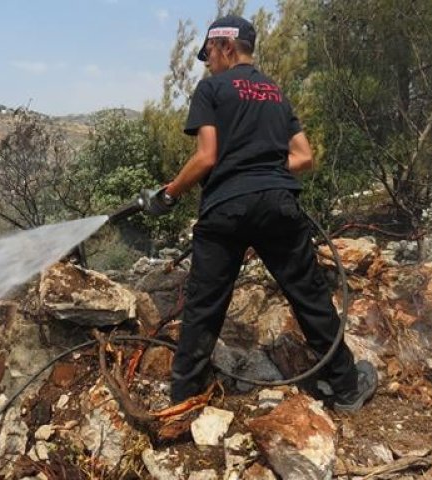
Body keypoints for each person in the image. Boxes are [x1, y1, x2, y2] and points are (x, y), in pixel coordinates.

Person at [145, 15, 377, 412]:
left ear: (226, 47)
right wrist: (263, 168)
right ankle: (345, 386)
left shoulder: (211, 89)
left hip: (225, 210)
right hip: (277, 204)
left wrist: (168, 194)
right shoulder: (275, 92)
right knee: (309, 295)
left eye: (209, 54)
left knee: (204, 306)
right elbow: (304, 157)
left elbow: (205, 157)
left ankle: (182, 403)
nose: (208, 63)